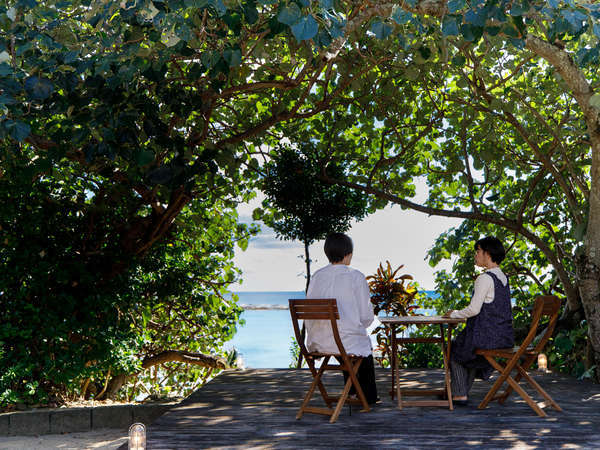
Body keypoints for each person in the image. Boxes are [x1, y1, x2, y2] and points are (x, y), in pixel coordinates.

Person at [305, 232, 379, 404]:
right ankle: (368, 398)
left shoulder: (317, 277)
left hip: (318, 342)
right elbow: (366, 316)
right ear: (349, 254)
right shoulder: (355, 276)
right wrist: (360, 325)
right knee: (360, 348)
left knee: (348, 346)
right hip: (343, 343)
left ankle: (353, 392)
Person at [442, 236, 514, 406]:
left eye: (478, 251)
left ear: (487, 253)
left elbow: (473, 310)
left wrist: (452, 314)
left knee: (454, 348)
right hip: (504, 337)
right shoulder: (503, 278)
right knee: (468, 349)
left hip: (487, 337)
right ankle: (461, 392)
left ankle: (459, 394)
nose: (476, 255)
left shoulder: (485, 278)